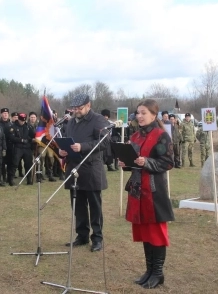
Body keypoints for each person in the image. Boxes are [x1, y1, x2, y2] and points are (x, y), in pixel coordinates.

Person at [118, 99, 174, 289]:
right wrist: (126, 163)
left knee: (155, 232)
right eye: (138, 113)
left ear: (153, 115)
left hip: (154, 190)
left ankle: (158, 273)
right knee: (145, 232)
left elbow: (167, 163)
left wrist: (146, 162)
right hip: (137, 190)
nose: (139, 116)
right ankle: (149, 271)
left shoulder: (161, 136)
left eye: (143, 113)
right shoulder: (134, 137)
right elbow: (134, 162)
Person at [59, 93, 110, 252]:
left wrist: (83, 146)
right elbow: (68, 139)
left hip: (91, 169)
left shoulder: (98, 120)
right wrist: (63, 150)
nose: (77, 111)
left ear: (89, 105)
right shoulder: (71, 122)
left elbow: (104, 141)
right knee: (78, 204)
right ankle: (82, 235)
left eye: (80, 108)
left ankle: (97, 238)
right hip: (74, 168)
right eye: (74, 108)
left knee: (94, 206)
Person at [11, 113, 35, 185]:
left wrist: (32, 139)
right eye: (21, 121)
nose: (22, 122)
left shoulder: (28, 127)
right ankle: (11, 179)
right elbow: (12, 138)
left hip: (27, 148)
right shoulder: (13, 127)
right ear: (18, 119)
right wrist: (21, 140)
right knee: (15, 163)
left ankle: (29, 179)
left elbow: (33, 135)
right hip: (18, 147)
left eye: (23, 121)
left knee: (28, 164)